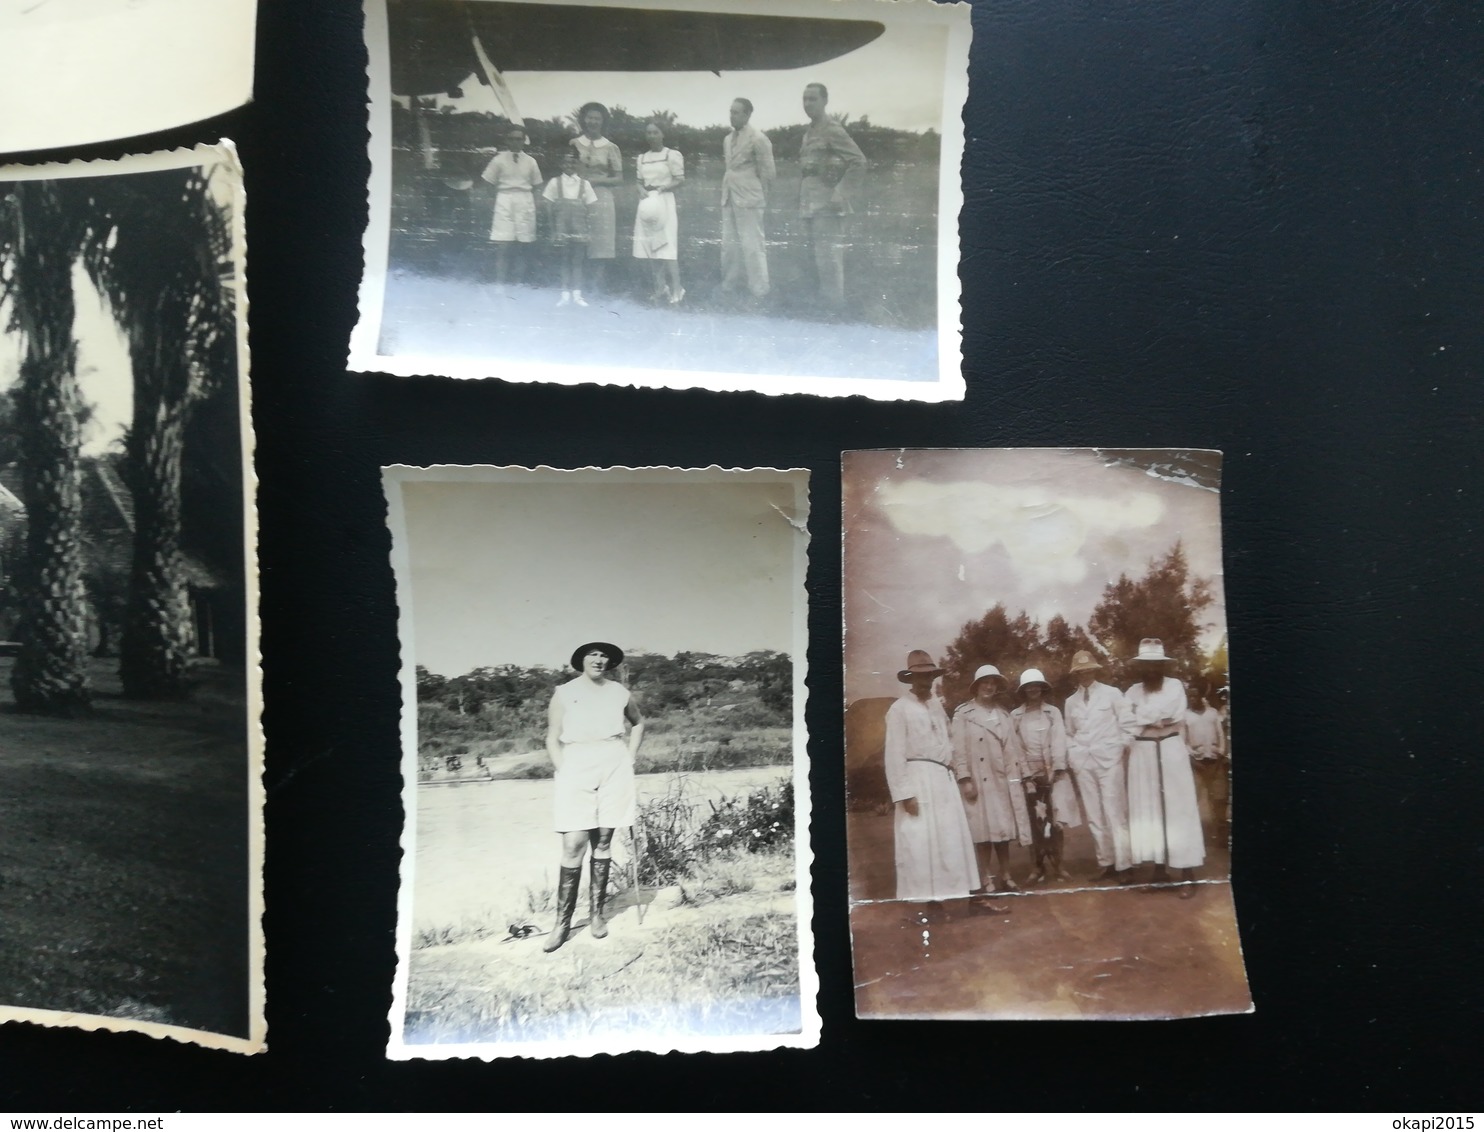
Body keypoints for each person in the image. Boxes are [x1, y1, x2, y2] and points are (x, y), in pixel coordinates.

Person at [542, 641, 645, 952]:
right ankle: (562, 923)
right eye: (593, 655)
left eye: (604, 656)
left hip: (613, 763)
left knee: (602, 841)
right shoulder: (564, 692)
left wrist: (630, 757)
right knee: (573, 843)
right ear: (582, 660)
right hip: (576, 763)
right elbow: (551, 736)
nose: (599, 660)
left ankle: (597, 915)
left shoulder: (619, 692)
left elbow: (639, 723)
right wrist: (562, 769)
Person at [882, 650, 981, 909]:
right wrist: (904, 794)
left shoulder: (937, 706)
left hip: (942, 778)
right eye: (920, 677)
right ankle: (930, 905)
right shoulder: (899, 709)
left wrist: (958, 774)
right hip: (917, 780)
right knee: (920, 841)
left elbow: (949, 742)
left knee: (950, 837)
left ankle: (966, 897)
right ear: (910, 678)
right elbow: (894, 755)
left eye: (930, 676)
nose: (926, 682)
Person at [1122, 638, 1204, 896]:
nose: (1151, 669)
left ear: (1163, 665)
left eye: (1156, 664)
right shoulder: (1132, 691)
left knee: (1180, 809)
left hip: (1170, 749)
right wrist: (1151, 719)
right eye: (1146, 665)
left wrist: (1143, 717)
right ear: (1140, 667)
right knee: (1149, 810)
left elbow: (1175, 715)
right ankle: (1159, 872)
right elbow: (1127, 720)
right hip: (1142, 752)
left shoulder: (1175, 686)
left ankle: (1187, 875)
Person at [950, 664, 1033, 895]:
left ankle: (1006, 876)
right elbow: (958, 750)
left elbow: (1015, 749)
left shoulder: (1003, 714)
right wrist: (965, 778)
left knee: (1003, 832)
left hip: (1003, 779)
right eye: (984, 682)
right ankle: (986, 877)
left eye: (992, 682)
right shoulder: (963, 714)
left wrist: (1025, 776)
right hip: (978, 778)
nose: (989, 686)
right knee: (983, 832)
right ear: (976, 686)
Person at [1062, 650, 1136, 883]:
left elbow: (1129, 725)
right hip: (1084, 762)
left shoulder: (1112, 694)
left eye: (1088, 670)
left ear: (1094, 670)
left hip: (1109, 760)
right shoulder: (1070, 702)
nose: (1084, 674)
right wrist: (1074, 755)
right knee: (1094, 815)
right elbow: (1068, 733)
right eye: (1079, 671)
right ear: (1075, 674)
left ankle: (1125, 865)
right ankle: (1107, 863)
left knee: (1114, 811)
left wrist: (1120, 747)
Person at [798, 82, 866, 313]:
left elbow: (858, 161)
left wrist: (841, 191)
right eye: (805, 99)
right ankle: (822, 303)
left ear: (825, 101)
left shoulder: (833, 130)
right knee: (815, 256)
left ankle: (834, 306)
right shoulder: (809, 132)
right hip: (810, 201)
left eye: (813, 99)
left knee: (829, 257)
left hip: (828, 202)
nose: (808, 104)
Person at [1011, 667, 1079, 884]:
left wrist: (1056, 769)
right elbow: (1016, 747)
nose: (1033, 689)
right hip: (1030, 776)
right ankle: (1037, 867)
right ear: (1023, 690)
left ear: (1042, 688)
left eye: (1036, 686)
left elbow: (1059, 740)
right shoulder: (1016, 716)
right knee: (1035, 822)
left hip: (1053, 774)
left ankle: (1059, 865)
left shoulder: (1052, 712)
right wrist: (1027, 775)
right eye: (1028, 686)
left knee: (1055, 820)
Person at [719, 97, 776, 302]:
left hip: (750, 199)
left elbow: (768, 173)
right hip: (729, 196)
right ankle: (730, 283)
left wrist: (762, 199)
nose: (732, 115)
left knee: (753, 245)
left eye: (736, 112)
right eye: (731, 111)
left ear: (747, 114)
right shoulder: (727, 139)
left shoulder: (758, 138)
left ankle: (759, 288)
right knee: (729, 245)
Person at [479, 125, 543, 292]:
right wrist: (493, 201)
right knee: (503, 246)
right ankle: (500, 284)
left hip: (525, 201)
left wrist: (535, 205)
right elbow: (487, 182)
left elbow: (537, 185)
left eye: (519, 139)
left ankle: (518, 284)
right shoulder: (498, 159)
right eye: (512, 139)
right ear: (507, 140)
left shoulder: (531, 161)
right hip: (504, 200)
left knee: (523, 245)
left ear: (524, 141)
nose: (515, 142)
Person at [570, 103, 622, 292]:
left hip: (602, 198)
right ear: (583, 119)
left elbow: (618, 178)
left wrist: (597, 180)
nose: (593, 122)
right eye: (590, 117)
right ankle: (577, 290)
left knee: (601, 245)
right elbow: (568, 170)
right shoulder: (574, 144)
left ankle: (595, 290)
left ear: (603, 122)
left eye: (597, 118)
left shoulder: (611, 147)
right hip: (577, 196)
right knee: (578, 243)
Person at [632, 121, 686, 303]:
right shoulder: (642, 158)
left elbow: (680, 179)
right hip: (647, 203)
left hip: (664, 201)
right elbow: (639, 181)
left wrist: (664, 187)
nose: (651, 136)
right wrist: (640, 190)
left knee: (668, 247)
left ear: (663, 134)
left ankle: (677, 289)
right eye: (648, 133)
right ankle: (660, 287)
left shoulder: (671, 155)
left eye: (655, 132)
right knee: (653, 247)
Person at [543, 149, 599, 307]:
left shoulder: (584, 184)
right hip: (562, 227)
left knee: (577, 260)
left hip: (579, 227)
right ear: (561, 164)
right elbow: (548, 207)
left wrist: (589, 230)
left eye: (572, 162)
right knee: (564, 259)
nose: (569, 165)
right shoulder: (555, 183)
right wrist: (553, 230)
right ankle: (564, 294)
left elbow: (591, 208)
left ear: (577, 164)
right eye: (566, 162)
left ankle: (577, 295)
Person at [1184, 680, 1228, 846]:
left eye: (1195, 695)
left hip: (1215, 762)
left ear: (1202, 695)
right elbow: (1184, 741)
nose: (1192, 699)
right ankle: (1196, 837)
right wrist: (1193, 760)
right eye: (1190, 696)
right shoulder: (1185, 716)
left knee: (1219, 798)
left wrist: (1221, 754)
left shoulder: (1212, 713)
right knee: (1193, 799)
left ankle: (1222, 837)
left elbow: (1220, 736)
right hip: (1196, 764)